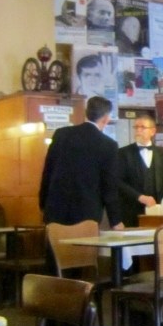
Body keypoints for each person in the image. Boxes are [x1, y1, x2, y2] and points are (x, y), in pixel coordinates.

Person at [39, 96, 125, 229]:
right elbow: (109, 185)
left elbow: (48, 171)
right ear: (106, 118)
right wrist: (115, 220)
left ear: (86, 113)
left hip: (55, 210)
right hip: (86, 214)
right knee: (83, 244)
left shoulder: (61, 134)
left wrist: (43, 204)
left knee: (56, 243)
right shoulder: (109, 145)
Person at [116, 114, 163, 227]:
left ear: (153, 131)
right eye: (136, 127)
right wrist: (140, 197)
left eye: (142, 127)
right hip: (131, 212)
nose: (138, 130)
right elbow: (119, 182)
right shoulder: (123, 153)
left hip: (158, 212)